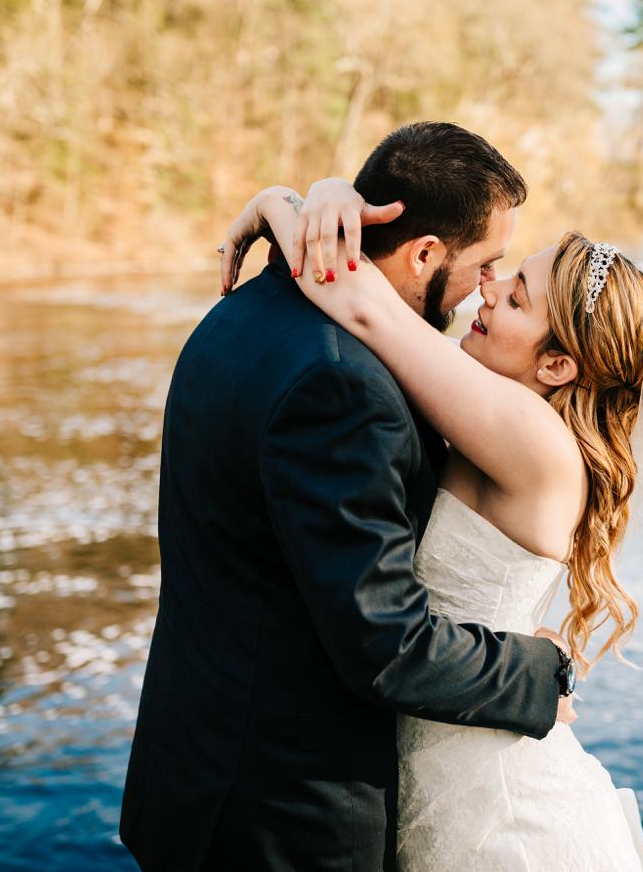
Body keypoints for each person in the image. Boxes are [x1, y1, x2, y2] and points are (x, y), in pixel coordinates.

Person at [119, 122, 578, 872]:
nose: (482, 291)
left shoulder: (244, 313)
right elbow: (385, 644)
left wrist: (288, 202)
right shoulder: (343, 384)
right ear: (425, 252)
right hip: (282, 814)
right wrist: (534, 674)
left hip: (193, 775)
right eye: (486, 263)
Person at [218, 169, 643, 871]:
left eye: (518, 294)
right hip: (452, 757)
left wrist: (277, 204)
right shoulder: (495, 409)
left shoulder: (531, 437)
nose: (489, 286)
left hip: (502, 810)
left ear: (559, 364)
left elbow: (363, 307)